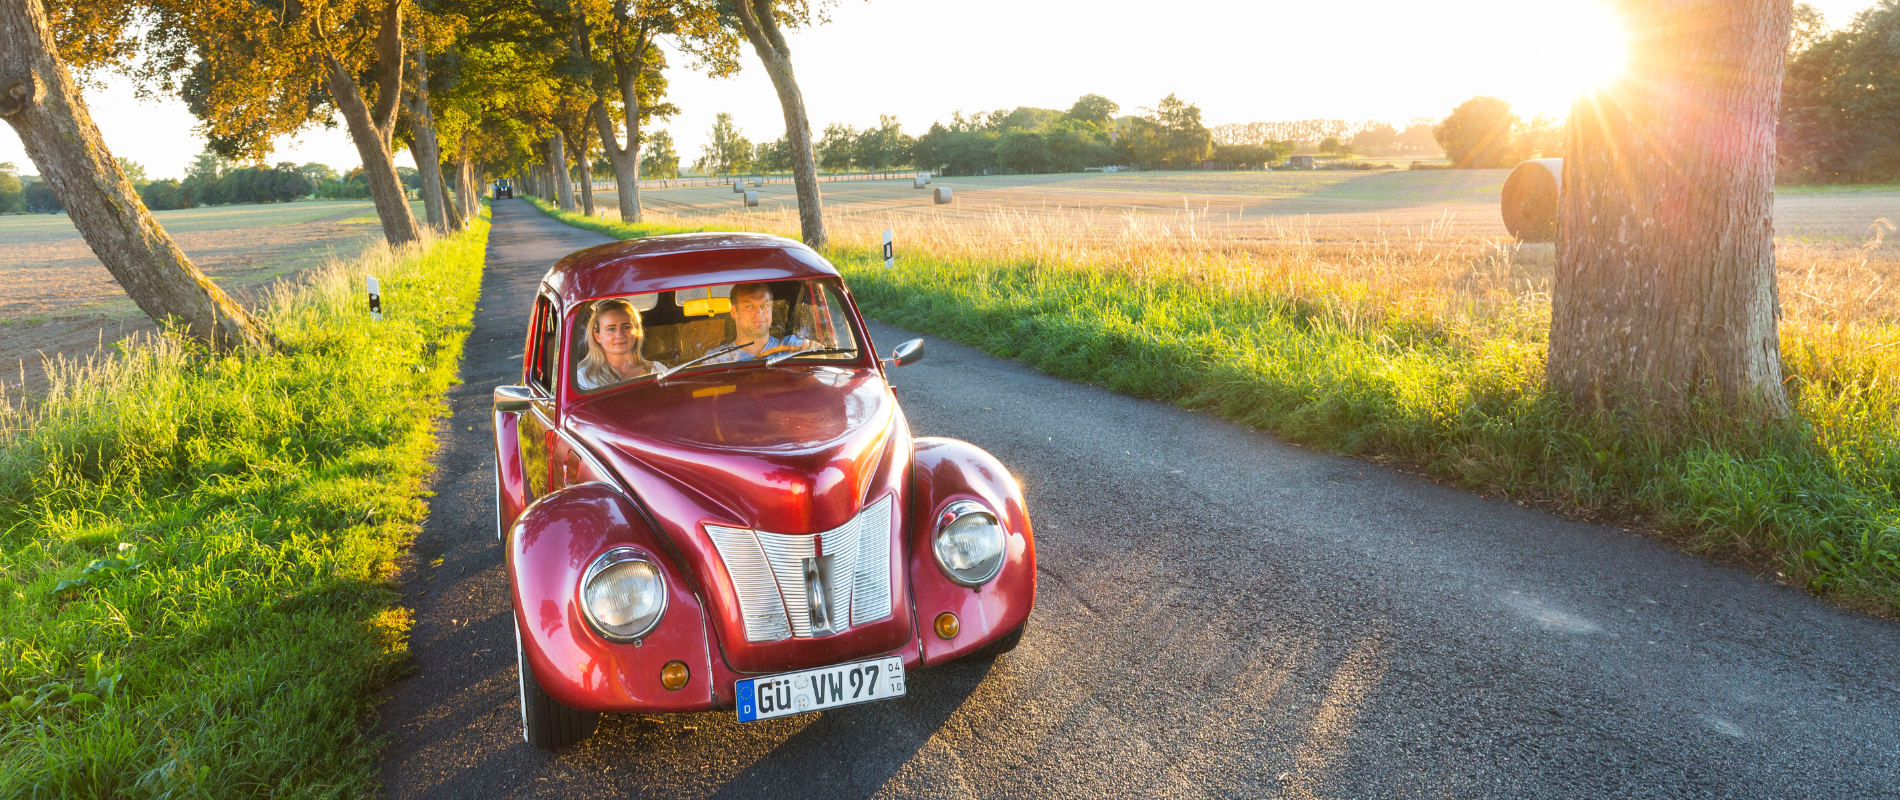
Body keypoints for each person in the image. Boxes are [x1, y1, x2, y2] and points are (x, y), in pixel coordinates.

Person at [705, 282, 816, 364]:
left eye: (765, 305)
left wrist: (813, 351)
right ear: (734, 312)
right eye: (749, 306)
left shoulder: (792, 347)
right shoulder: (717, 360)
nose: (759, 312)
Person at [575, 298, 665, 390]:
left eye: (626, 327)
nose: (620, 334)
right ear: (597, 336)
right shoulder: (584, 380)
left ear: (636, 331)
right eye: (611, 329)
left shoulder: (658, 370)